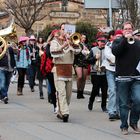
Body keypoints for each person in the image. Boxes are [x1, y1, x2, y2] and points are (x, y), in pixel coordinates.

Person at [112, 21, 140, 135]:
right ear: (123, 30)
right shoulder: (118, 41)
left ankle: (133, 122)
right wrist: (125, 39)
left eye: (130, 29)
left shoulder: (138, 43)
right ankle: (124, 125)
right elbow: (116, 52)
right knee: (123, 104)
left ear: (133, 30)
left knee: (138, 100)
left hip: (136, 77)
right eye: (126, 29)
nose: (128, 30)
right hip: (122, 78)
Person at [50, 26, 80, 122]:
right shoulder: (54, 42)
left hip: (69, 70)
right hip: (58, 69)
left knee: (68, 94)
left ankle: (61, 111)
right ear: (60, 31)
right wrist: (64, 45)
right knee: (61, 92)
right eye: (63, 30)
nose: (65, 32)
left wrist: (72, 42)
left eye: (66, 30)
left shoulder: (71, 41)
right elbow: (53, 53)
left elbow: (78, 51)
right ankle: (65, 113)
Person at [104, 30, 122, 121]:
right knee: (112, 90)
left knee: (119, 91)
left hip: (120, 71)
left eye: (120, 36)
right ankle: (111, 111)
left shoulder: (124, 44)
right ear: (113, 37)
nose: (118, 38)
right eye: (117, 36)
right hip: (110, 70)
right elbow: (108, 55)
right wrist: (118, 59)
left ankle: (117, 111)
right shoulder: (108, 44)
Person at [87, 35, 108, 112]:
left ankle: (104, 106)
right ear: (98, 42)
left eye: (104, 42)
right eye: (101, 41)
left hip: (104, 72)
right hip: (95, 72)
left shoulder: (107, 49)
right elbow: (88, 60)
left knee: (104, 90)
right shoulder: (93, 49)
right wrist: (94, 58)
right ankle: (91, 101)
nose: (103, 43)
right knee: (95, 89)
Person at [73, 34, 89, 99]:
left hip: (85, 62)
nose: (84, 39)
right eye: (82, 37)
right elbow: (75, 52)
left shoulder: (87, 45)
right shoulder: (77, 44)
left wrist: (87, 51)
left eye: (85, 38)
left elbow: (89, 53)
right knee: (80, 77)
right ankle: (78, 91)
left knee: (84, 78)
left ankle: (81, 92)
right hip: (78, 62)